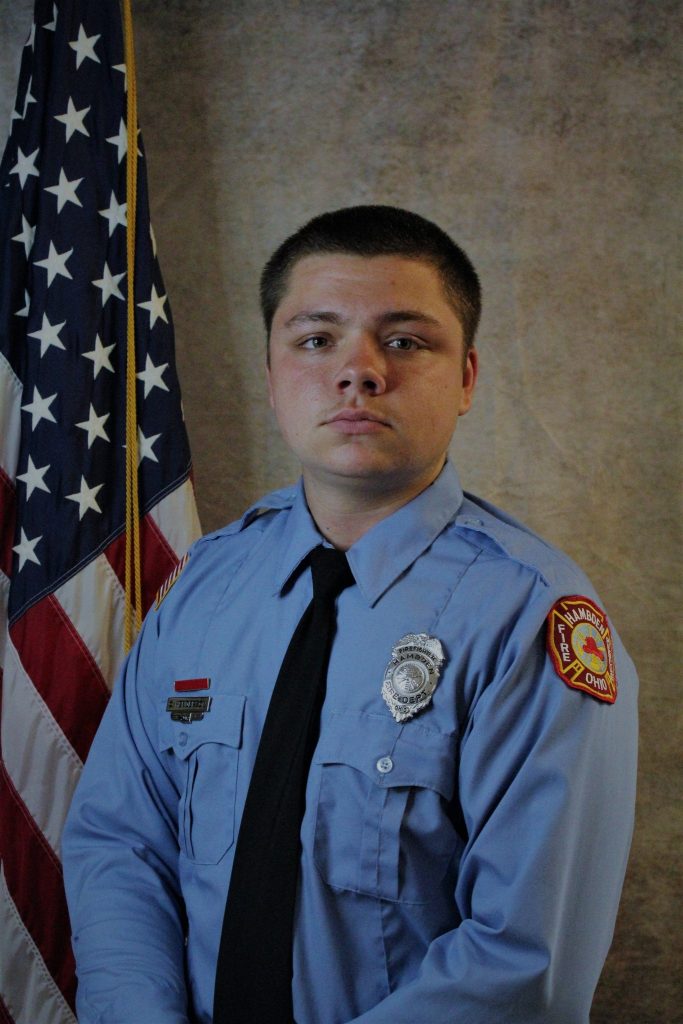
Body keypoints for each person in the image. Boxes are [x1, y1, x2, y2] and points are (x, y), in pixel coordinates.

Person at [63, 205, 638, 1023]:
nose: (358, 371)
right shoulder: (202, 587)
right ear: (270, 375)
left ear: (467, 377)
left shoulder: (530, 620)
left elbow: (522, 966)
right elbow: (121, 845)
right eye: (315, 339)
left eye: (404, 340)